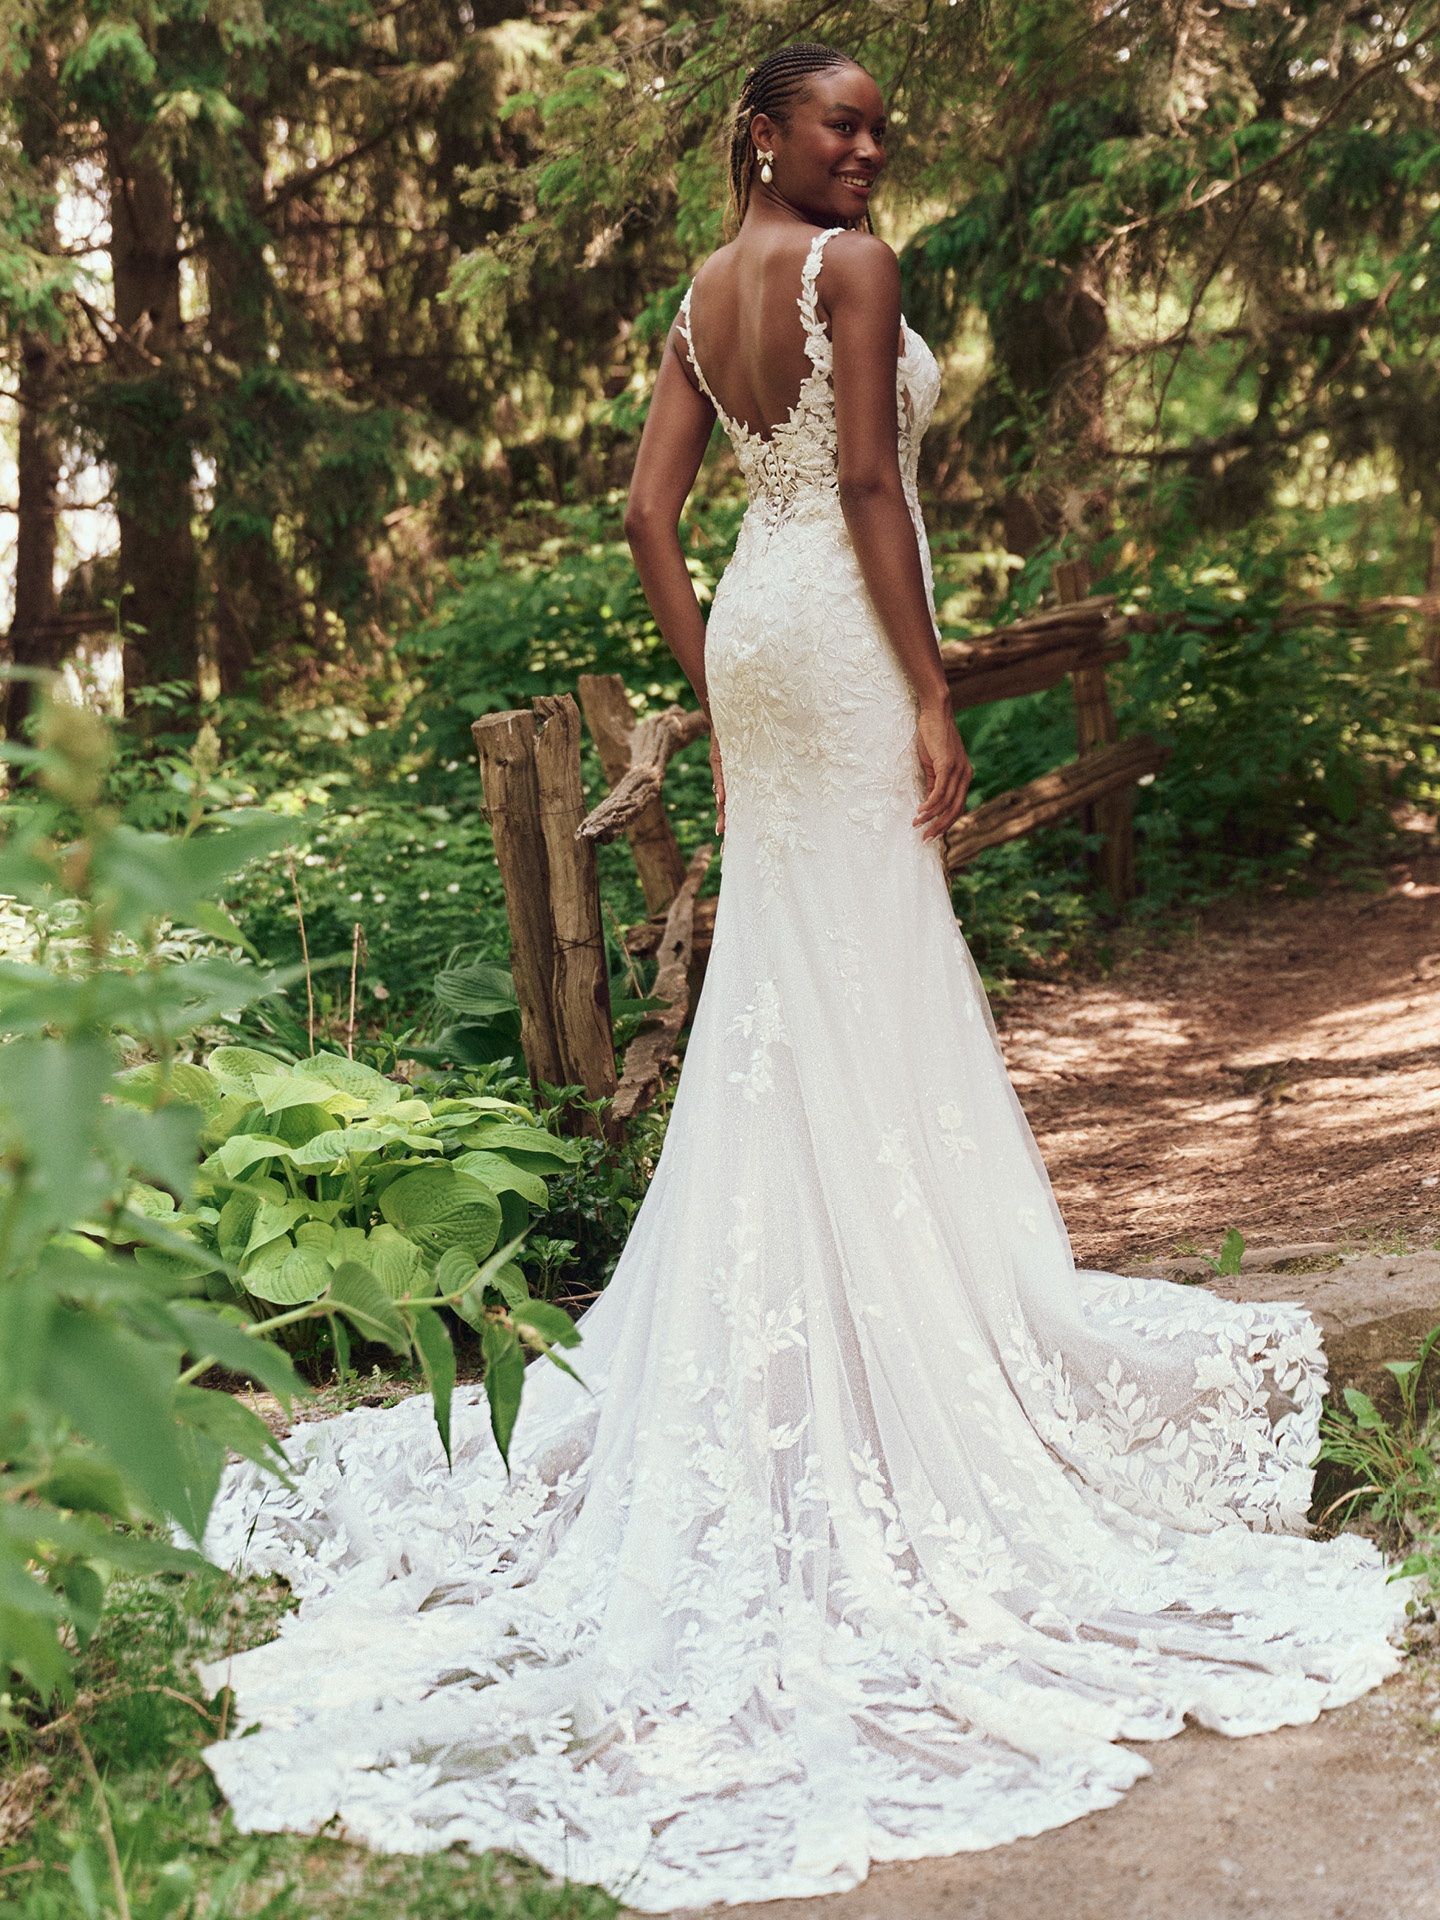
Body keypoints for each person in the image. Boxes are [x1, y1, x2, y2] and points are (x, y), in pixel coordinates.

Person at [195, 41, 1417, 1913]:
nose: (870, 149)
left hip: (762, 639)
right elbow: (863, 477)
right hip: (840, 627)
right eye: (840, 123)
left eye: (878, 129)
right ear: (764, 131)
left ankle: (839, 1319)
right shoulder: (855, 268)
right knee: (865, 963)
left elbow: (645, 518)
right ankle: (892, 1335)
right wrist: (933, 689)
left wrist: (707, 672)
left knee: (803, 980)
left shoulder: (703, 294)